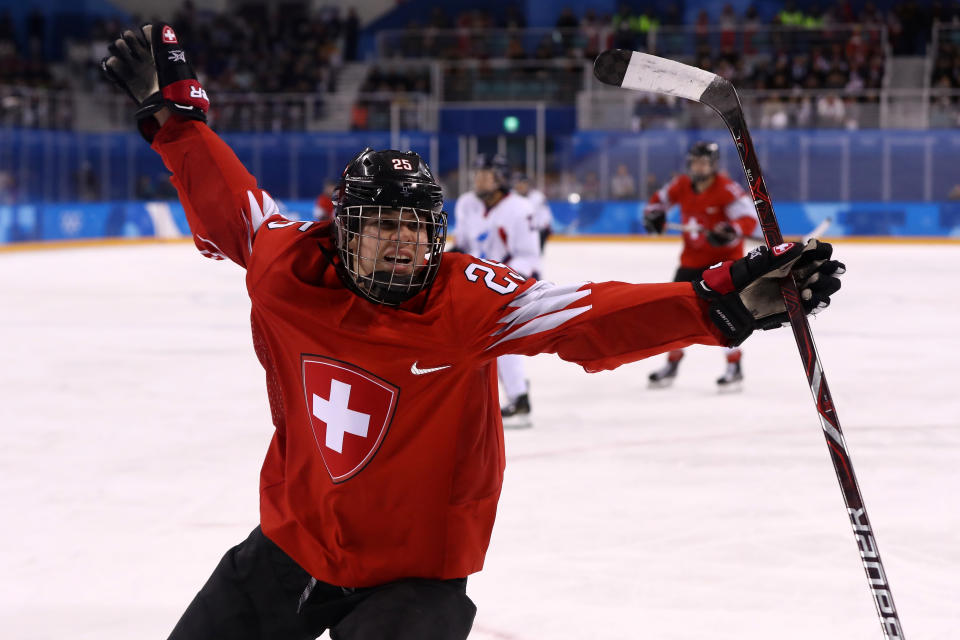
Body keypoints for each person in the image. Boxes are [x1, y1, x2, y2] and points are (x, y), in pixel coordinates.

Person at [102, 24, 844, 640]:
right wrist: (177, 123)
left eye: (416, 229)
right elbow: (234, 200)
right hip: (292, 544)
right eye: (383, 226)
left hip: (413, 576)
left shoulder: (463, 300)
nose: (402, 243)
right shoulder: (286, 268)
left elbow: (585, 312)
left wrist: (721, 301)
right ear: (341, 231)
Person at [642, 140, 760, 391]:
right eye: (696, 161)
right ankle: (672, 363)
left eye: (704, 162)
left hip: (722, 264)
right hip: (690, 262)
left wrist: (731, 230)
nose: (699, 166)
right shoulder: (682, 184)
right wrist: (653, 214)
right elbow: (658, 201)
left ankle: (734, 365)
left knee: (725, 317)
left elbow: (748, 218)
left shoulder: (726, 189)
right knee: (675, 313)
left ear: (713, 165)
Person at [452, 154, 540, 427]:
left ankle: (519, 397)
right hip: (474, 283)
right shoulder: (467, 203)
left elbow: (528, 256)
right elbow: (462, 245)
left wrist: (499, 282)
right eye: (477, 173)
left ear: (500, 179)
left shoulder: (520, 208)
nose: (478, 179)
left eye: (485, 173)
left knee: (500, 336)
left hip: (511, 282)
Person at [512, 172, 553, 254]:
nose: (521, 186)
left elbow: (545, 214)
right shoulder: (511, 196)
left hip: (536, 232)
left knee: (534, 256)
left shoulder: (537, 197)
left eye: (523, 184)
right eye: (518, 183)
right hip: (517, 232)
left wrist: (541, 228)